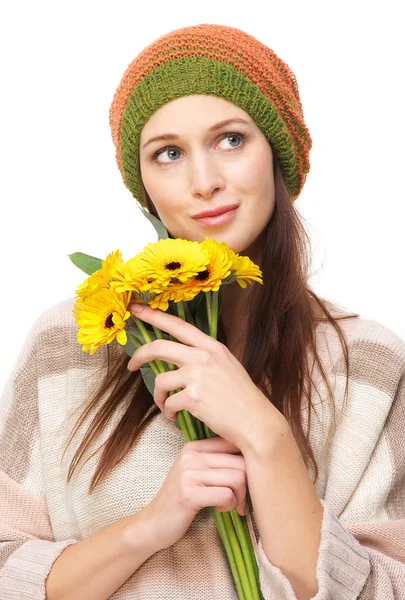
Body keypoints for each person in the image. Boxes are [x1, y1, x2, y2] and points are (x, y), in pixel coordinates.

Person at [1, 22, 404, 600]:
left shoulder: (370, 366)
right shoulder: (69, 343)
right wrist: (146, 530)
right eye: (168, 153)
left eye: (231, 140)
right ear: (144, 186)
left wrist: (268, 439)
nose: (204, 182)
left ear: (279, 155)